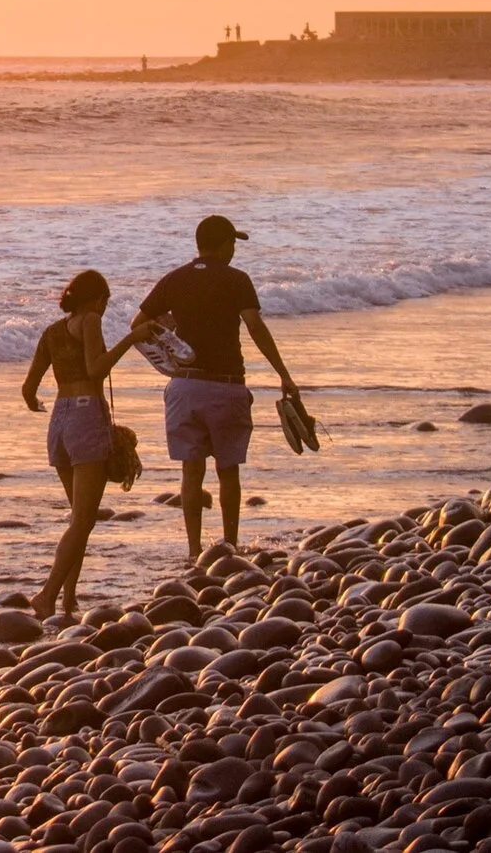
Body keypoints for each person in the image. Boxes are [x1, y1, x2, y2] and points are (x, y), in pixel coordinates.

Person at [134, 215, 301, 561]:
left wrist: (170, 344)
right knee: (228, 471)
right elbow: (254, 326)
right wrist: (283, 373)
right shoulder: (237, 280)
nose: (235, 249)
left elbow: (139, 326)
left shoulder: (174, 279)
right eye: (233, 243)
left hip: (184, 387)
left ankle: (194, 551)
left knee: (191, 472)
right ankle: (228, 546)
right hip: (225, 385)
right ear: (223, 245)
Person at [20, 270, 157, 618]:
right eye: (105, 302)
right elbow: (96, 370)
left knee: (79, 521)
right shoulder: (91, 319)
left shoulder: (51, 331)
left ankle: (68, 600)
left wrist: (39, 403)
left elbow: (29, 390)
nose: (104, 309)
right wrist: (132, 338)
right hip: (86, 416)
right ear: (96, 299)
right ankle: (47, 595)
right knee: (83, 520)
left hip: (59, 422)